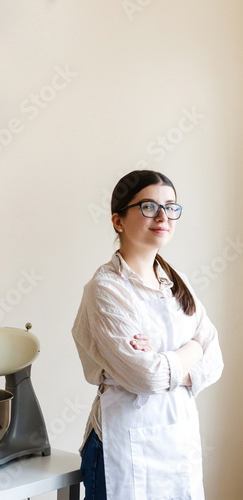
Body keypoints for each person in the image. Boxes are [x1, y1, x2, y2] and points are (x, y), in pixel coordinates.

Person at [72, 170, 224, 500]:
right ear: (118, 220)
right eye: (148, 206)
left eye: (170, 206)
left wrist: (168, 357)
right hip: (122, 444)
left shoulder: (177, 281)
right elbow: (147, 378)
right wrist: (193, 348)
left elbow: (215, 362)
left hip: (178, 440)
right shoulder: (106, 289)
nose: (163, 216)